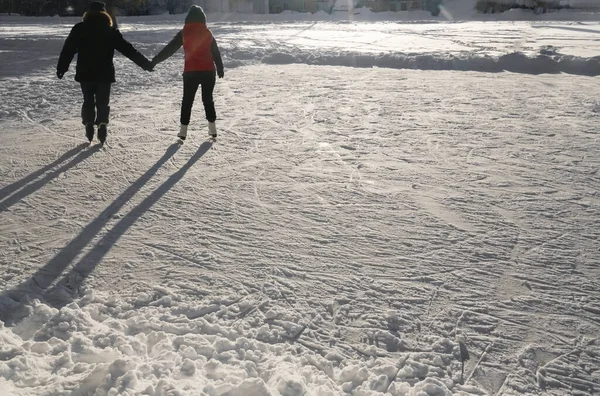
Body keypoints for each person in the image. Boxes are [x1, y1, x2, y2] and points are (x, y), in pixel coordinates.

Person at [56, 1, 153, 144]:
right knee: (103, 102)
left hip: (85, 73)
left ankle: (89, 123)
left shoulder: (79, 29)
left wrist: (61, 68)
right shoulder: (110, 30)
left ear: (87, 14)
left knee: (88, 100)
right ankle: (102, 124)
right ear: (105, 14)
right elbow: (128, 49)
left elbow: (68, 50)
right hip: (105, 73)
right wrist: (145, 64)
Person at [151, 5, 224, 140]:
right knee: (208, 99)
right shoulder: (208, 33)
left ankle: (183, 130)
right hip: (208, 71)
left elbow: (170, 49)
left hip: (191, 72)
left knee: (187, 101)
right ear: (203, 18)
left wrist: (155, 60)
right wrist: (220, 68)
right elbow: (215, 52)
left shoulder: (184, 32)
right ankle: (212, 127)